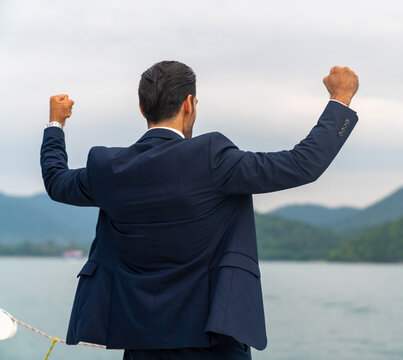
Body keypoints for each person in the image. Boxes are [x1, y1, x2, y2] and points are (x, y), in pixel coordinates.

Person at [40, 61, 359, 360]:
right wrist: (340, 99)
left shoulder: (108, 168)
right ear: (189, 104)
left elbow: (56, 180)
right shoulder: (214, 159)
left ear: (142, 109)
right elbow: (301, 164)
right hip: (213, 338)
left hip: (140, 341)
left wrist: (56, 123)